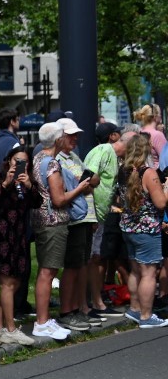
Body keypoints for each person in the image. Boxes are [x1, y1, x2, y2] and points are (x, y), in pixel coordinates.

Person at [30, 122, 94, 340]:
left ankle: (44, 320)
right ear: (58, 140)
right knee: (48, 272)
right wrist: (79, 189)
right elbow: (59, 199)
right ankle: (43, 322)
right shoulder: (52, 164)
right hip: (53, 222)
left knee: (46, 272)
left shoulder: (38, 158)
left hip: (42, 220)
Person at [0, 147, 37, 346]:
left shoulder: (26, 181)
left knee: (13, 284)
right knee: (6, 283)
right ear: (8, 161)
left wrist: (30, 185)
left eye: (23, 161)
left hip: (19, 236)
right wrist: (6, 183)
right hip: (1, 235)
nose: (19, 165)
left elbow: (38, 202)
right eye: (16, 160)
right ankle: (10, 329)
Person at [54, 117, 102, 331]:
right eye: (71, 135)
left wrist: (84, 184)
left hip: (84, 216)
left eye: (76, 135)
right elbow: (72, 187)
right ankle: (67, 311)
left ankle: (77, 308)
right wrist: (83, 185)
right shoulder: (57, 159)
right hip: (71, 218)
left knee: (81, 264)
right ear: (59, 136)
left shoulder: (73, 156)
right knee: (72, 266)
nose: (75, 138)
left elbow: (93, 182)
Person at [116, 134, 168, 327]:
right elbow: (161, 202)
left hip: (129, 227)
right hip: (147, 229)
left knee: (136, 270)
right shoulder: (148, 173)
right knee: (148, 273)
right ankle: (146, 316)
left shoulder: (123, 170)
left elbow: (121, 199)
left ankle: (135, 309)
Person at [85, 123, 132, 318]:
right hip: (93, 215)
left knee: (99, 257)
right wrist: (91, 214)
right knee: (94, 258)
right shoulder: (103, 150)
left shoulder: (114, 156)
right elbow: (88, 177)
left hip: (101, 215)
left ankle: (98, 300)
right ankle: (94, 302)